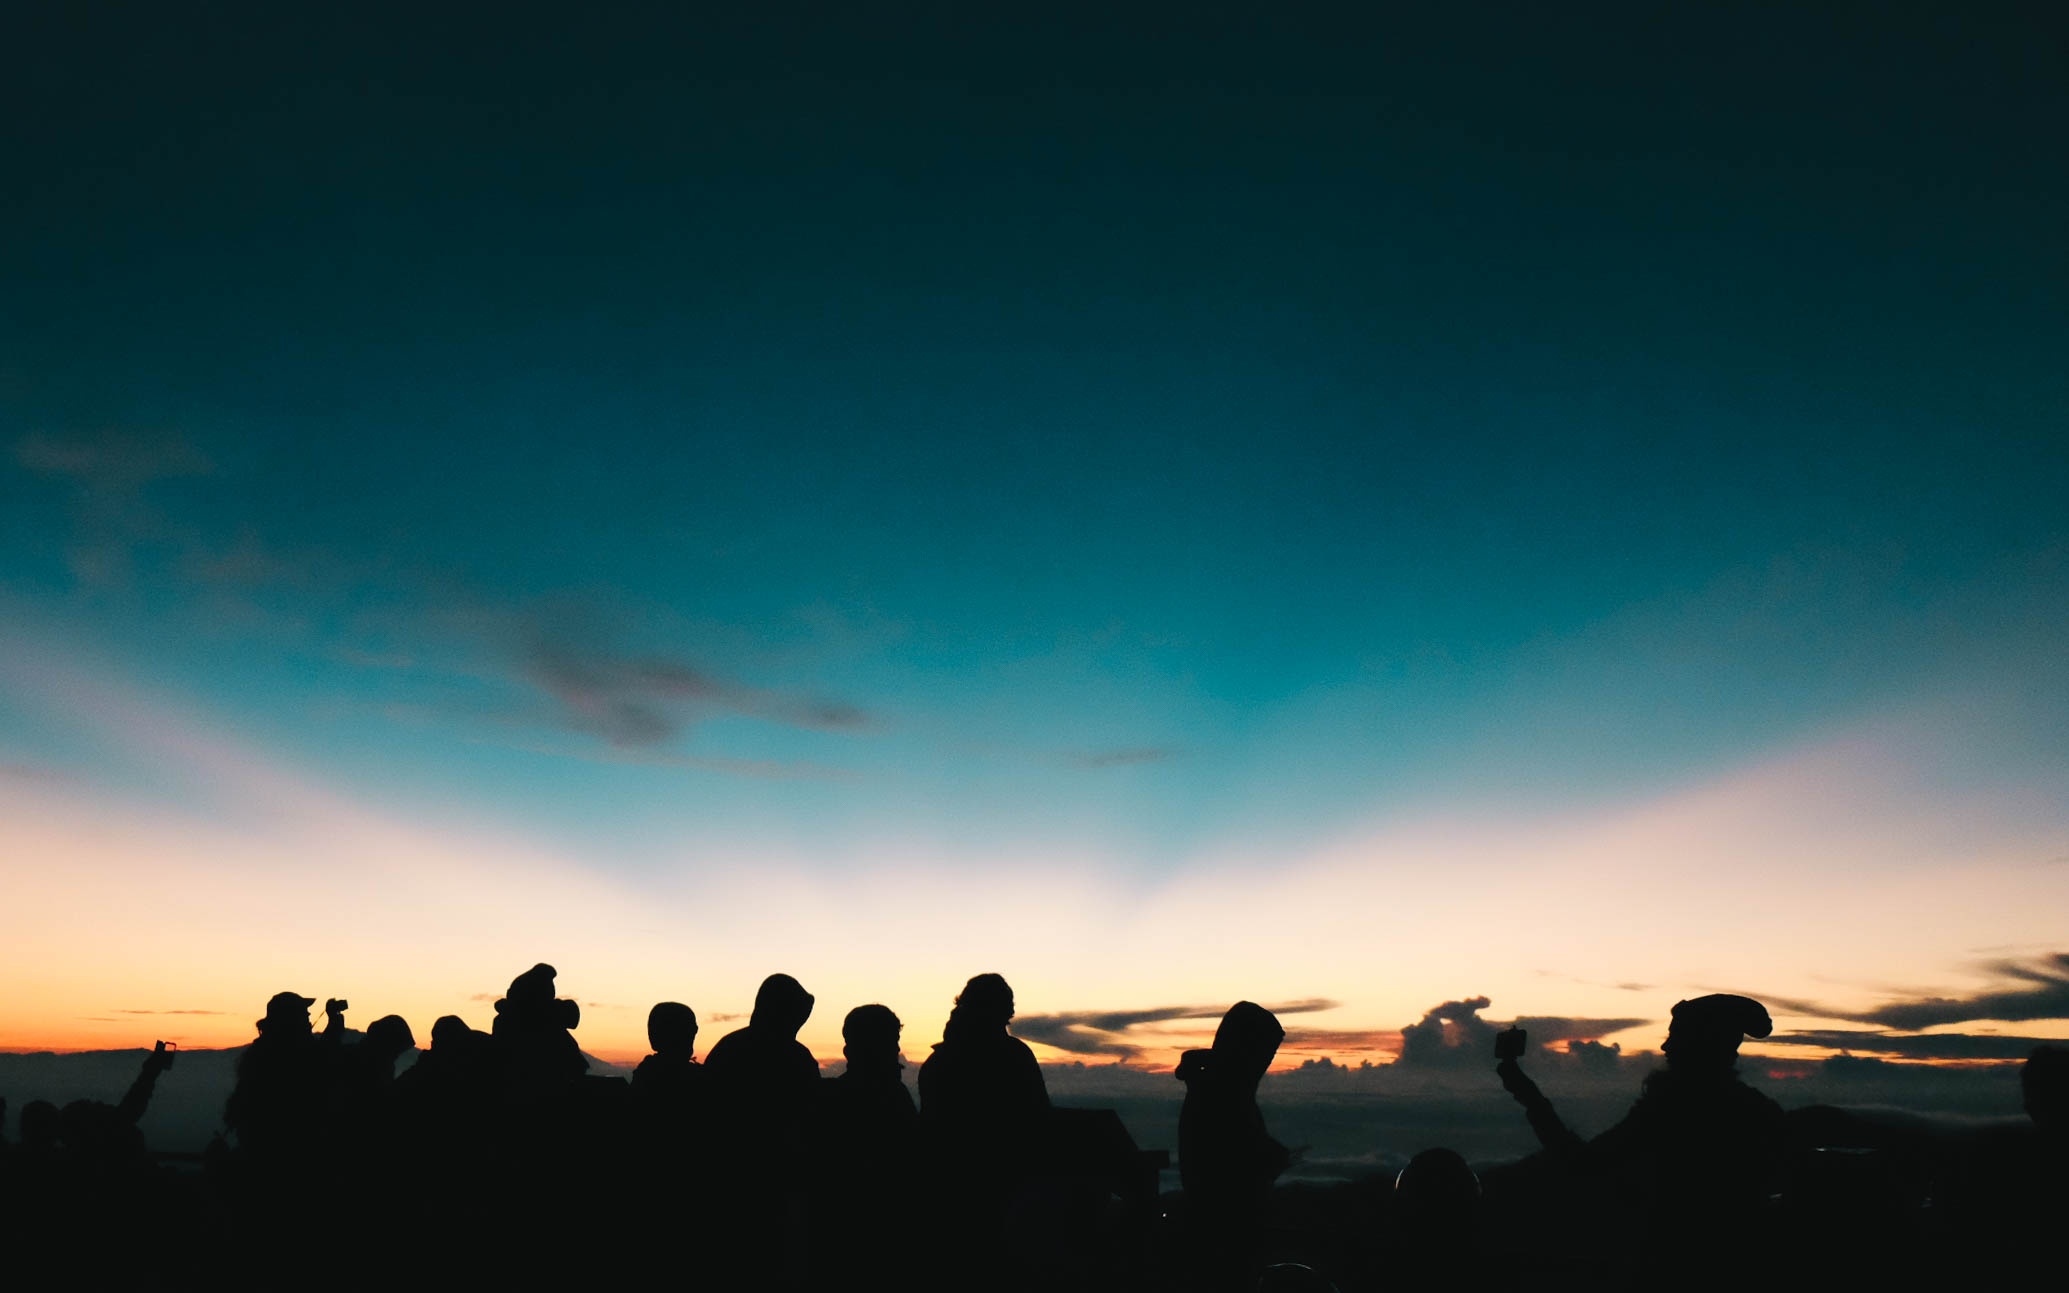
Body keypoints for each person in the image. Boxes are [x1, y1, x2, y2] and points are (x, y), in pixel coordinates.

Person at [1496, 993, 1784, 1251]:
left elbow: (1583, 1164)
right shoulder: (1762, 1112)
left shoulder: (1670, 1111)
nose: (1665, 1045)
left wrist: (1529, 1097)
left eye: (1677, 1036)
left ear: (1702, 1044)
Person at [1177, 1002, 1291, 1290]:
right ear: (1246, 1047)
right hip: (1222, 1239)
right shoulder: (1221, 1095)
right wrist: (1266, 1159)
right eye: (1265, 1051)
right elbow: (1220, 1168)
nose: (1267, 1061)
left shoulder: (1219, 1089)